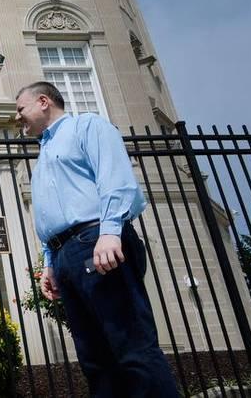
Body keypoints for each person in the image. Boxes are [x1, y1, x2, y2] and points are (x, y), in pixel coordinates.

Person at [15, 81, 178, 397]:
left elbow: (114, 179)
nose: (17, 117)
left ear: (43, 101)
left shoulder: (86, 126)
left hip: (95, 240)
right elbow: (51, 214)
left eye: (21, 109)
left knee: (131, 345)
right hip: (65, 254)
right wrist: (50, 263)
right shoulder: (45, 151)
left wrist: (109, 231)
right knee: (95, 359)